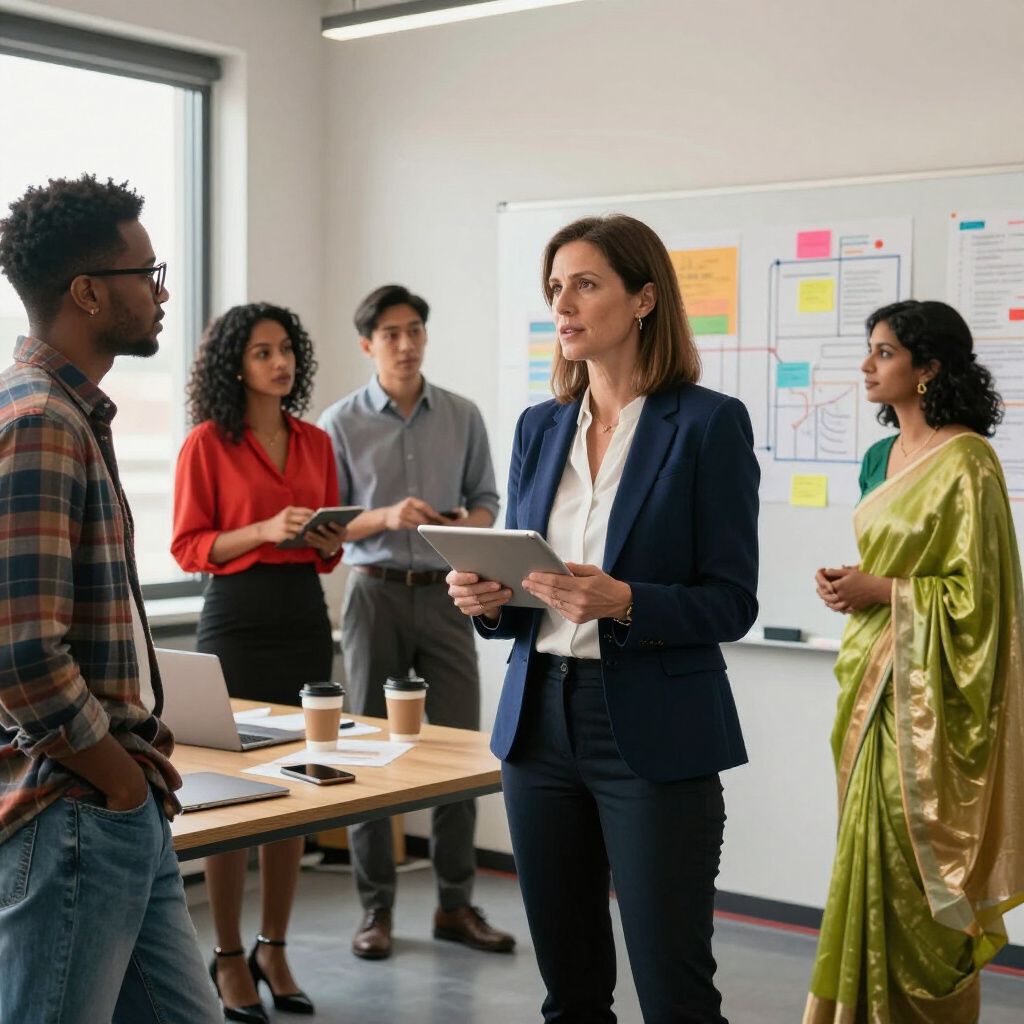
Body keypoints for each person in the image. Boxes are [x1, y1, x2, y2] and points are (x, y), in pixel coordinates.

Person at [447, 214, 760, 1023]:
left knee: (674, 992)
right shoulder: (539, 426)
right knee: (571, 993)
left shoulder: (706, 423)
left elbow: (733, 600)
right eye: (555, 288)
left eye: (586, 284)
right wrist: (489, 601)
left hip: (652, 733)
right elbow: (528, 583)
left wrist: (627, 600)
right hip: (538, 725)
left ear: (645, 297)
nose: (564, 304)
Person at [0, 175, 221, 1023]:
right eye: (147, 271)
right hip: (78, 810)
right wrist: (118, 779)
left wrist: (131, 791)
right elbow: (21, 652)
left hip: (115, 809)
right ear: (88, 292)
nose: (162, 291)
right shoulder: (42, 423)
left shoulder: (70, 413)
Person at [806, 300, 1024, 1023]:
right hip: (869, 679)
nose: (868, 366)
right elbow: (891, 562)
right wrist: (854, 585)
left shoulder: (970, 462)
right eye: (870, 350)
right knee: (863, 858)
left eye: (885, 352)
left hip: (929, 703)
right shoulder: (879, 458)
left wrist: (887, 590)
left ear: (927, 368)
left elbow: (984, 601)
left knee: (916, 866)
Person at [317, 284, 515, 960]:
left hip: (448, 593)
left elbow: (488, 498)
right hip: (372, 594)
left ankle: (455, 907)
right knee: (370, 753)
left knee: (460, 751)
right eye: (391, 333)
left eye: (415, 330)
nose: (406, 343)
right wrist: (385, 517)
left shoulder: (462, 415)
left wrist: (469, 526)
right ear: (368, 345)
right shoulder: (339, 422)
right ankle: (375, 911)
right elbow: (328, 524)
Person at [172, 302, 345, 1022]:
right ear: (234, 366)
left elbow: (331, 548)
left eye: (286, 351)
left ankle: (275, 946)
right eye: (263, 353)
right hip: (236, 621)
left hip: (304, 614)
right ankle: (229, 955)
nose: (281, 364)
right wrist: (264, 529)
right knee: (234, 796)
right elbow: (190, 547)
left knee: (297, 790)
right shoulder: (206, 444)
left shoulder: (315, 442)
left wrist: (326, 535)